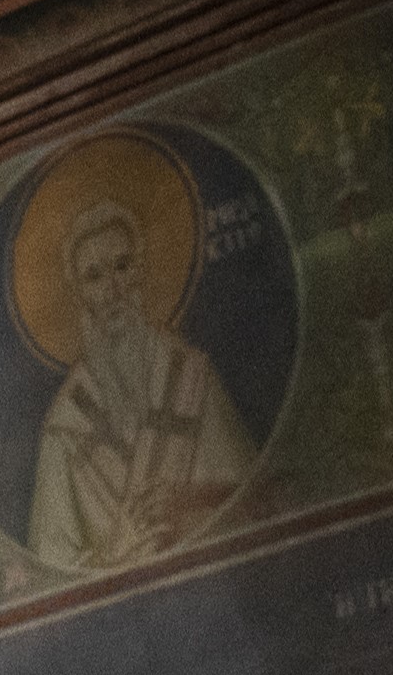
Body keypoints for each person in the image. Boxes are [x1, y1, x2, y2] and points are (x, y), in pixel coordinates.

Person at [24, 198, 253, 568]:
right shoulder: (65, 425)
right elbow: (52, 564)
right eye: (94, 277)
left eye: (122, 266)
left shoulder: (191, 378)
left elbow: (254, 502)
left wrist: (188, 504)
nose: (112, 289)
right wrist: (113, 559)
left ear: (140, 270)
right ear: (80, 295)